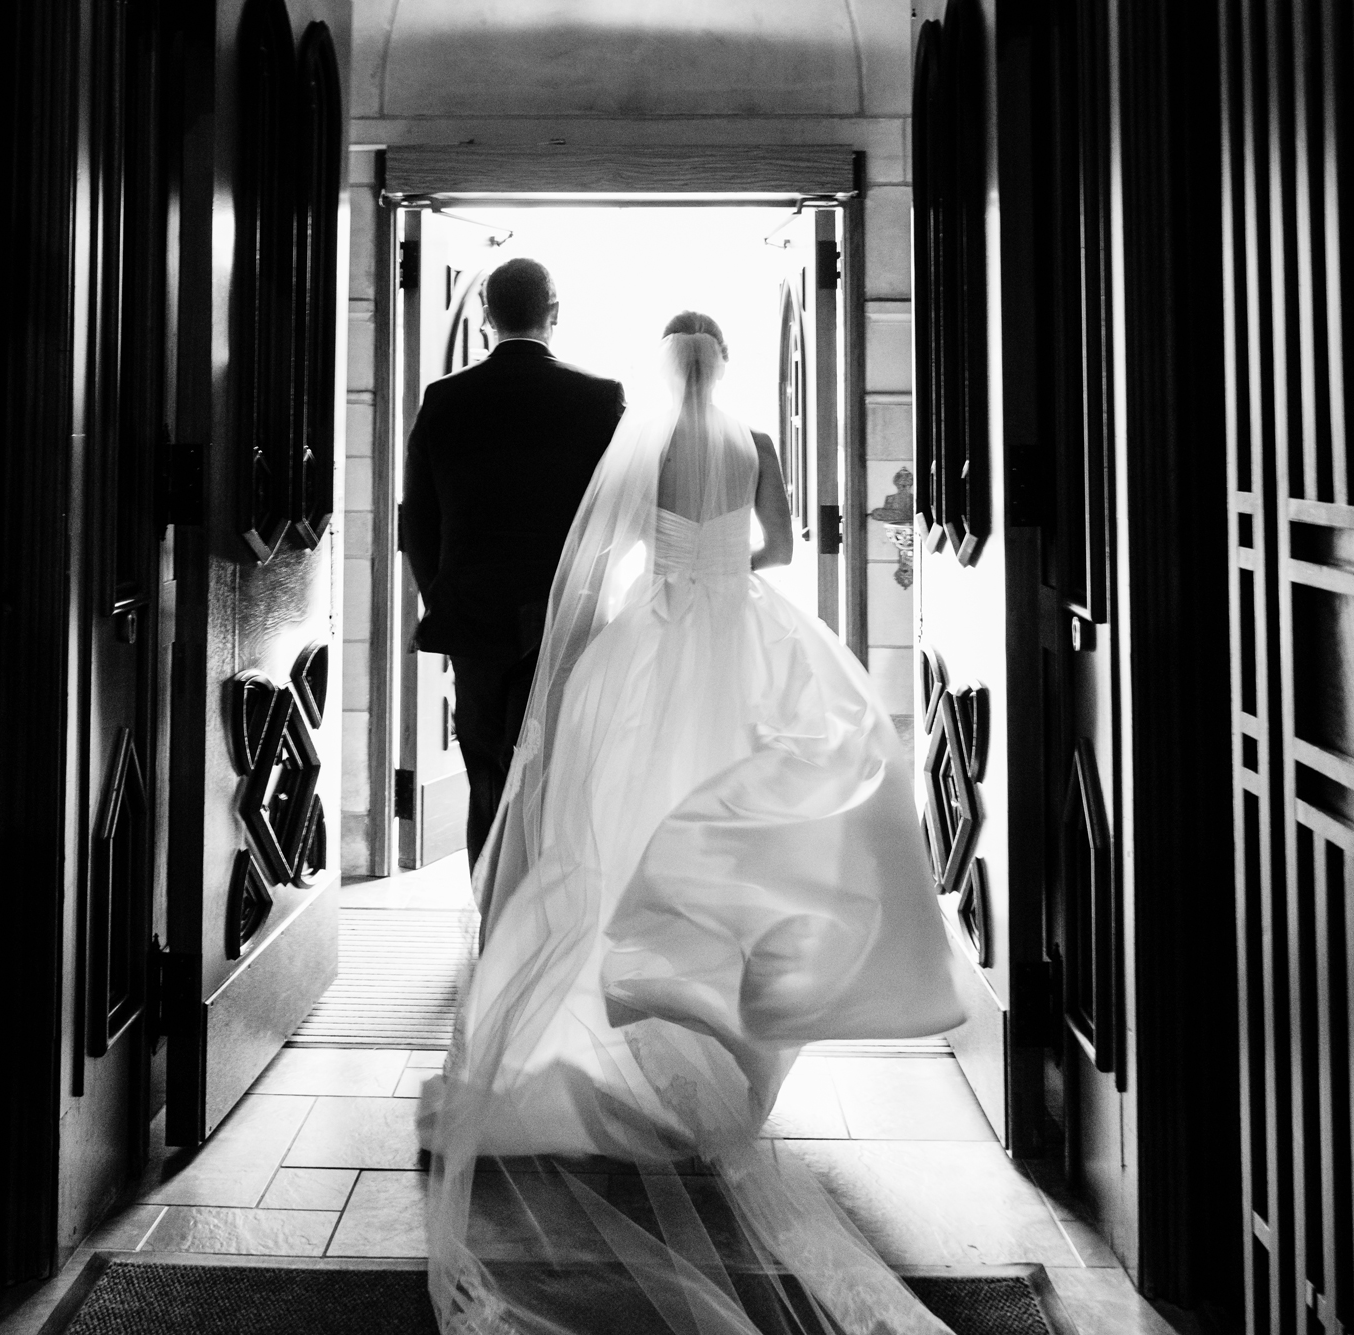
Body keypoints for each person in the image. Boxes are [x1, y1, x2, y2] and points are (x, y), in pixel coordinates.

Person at [424, 313, 968, 1335]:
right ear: (722, 363)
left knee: (629, 809)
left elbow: (607, 550)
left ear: (664, 365)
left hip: (658, 629)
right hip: (744, 628)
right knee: (752, 816)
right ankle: (729, 1003)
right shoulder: (753, 444)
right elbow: (778, 544)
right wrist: (720, 570)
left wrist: (658, 586)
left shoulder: (644, 444)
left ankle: (639, 1003)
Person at [400, 257, 627, 876]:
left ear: (483, 316)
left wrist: (442, 595)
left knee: (484, 770)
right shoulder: (599, 398)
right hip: (562, 614)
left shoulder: (446, 399)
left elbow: (416, 520)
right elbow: (613, 517)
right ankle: (548, 911)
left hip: (472, 614)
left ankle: (491, 910)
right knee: (556, 766)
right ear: (555, 314)